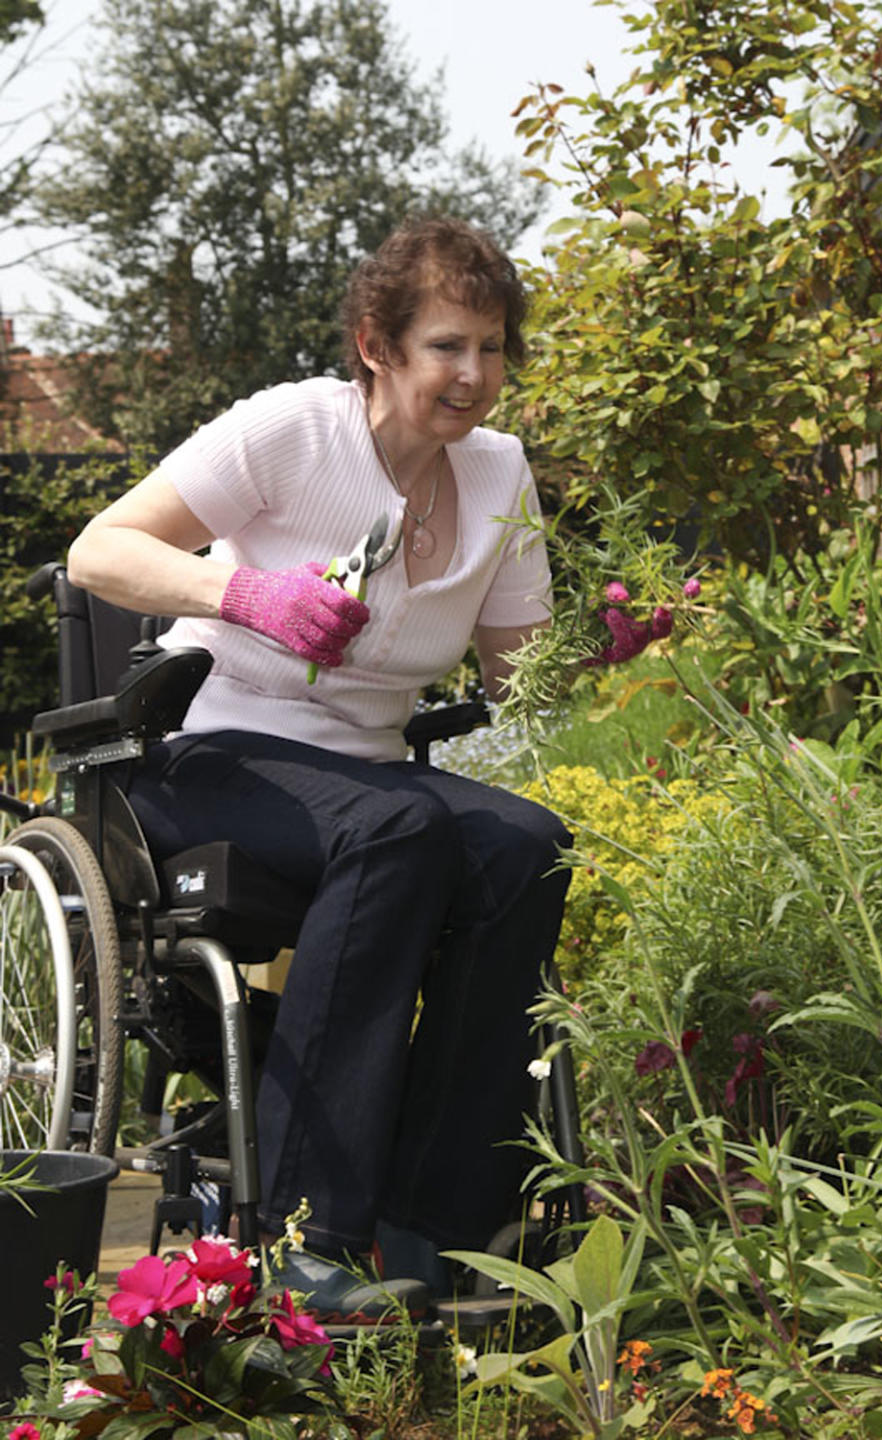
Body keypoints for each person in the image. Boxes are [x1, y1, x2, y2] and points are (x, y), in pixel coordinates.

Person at [67, 216, 574, 1321]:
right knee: (402, 833)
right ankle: (307, 1236)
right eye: (447, 346)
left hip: (368, 775)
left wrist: (604, 649)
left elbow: (520, 669)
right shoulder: (296, 430)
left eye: (492, 348)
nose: (474, 375)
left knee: (525, 847)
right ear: (376, 346)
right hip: (208, 746)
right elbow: (100, 549)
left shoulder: (498, 474)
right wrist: (244, 594)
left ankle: (433, 1227)